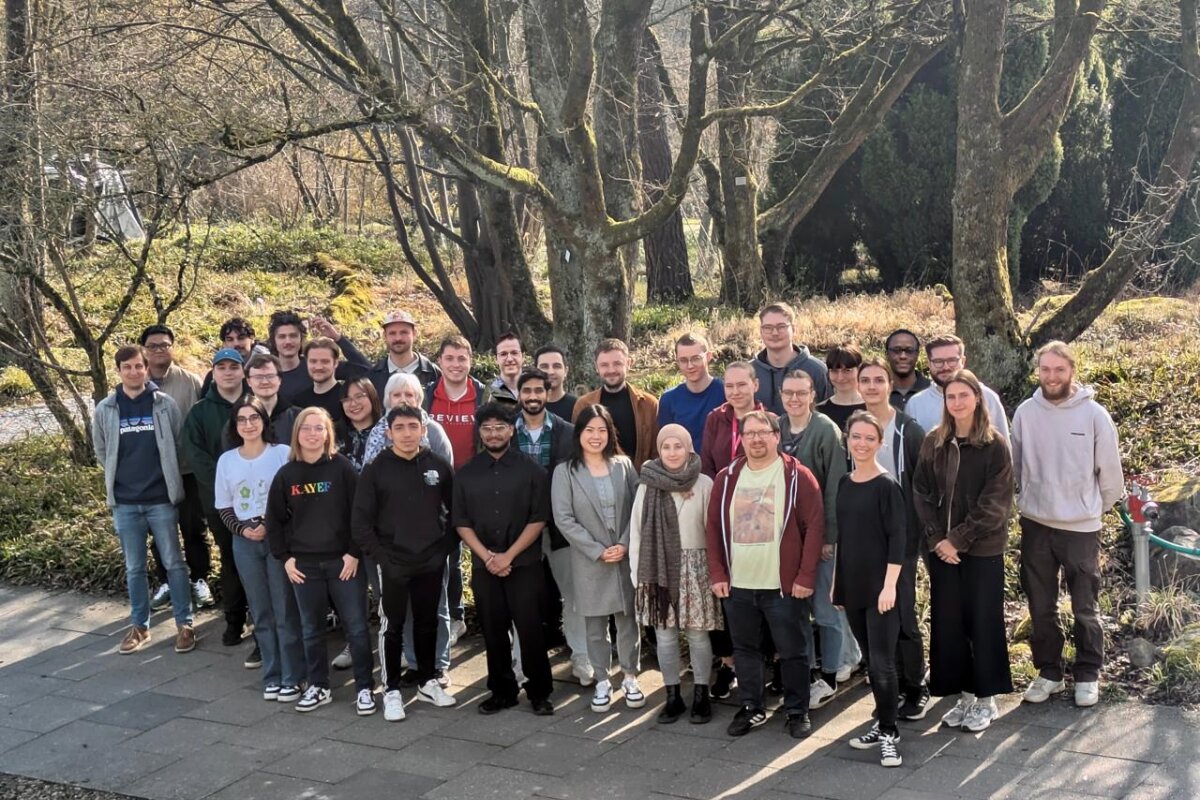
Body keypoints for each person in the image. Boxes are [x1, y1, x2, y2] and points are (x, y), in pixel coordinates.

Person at [1012, 341, 1123, 708]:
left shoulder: (1094, 415)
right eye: (1045, 369)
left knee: (1084, 606)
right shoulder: (1026, 413)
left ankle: (1088, 673)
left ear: (1072, 370)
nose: (1052, 376)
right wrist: (1028, 500)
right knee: (1040, 605)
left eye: (1059, 369)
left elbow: (1111, 476)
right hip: (1036, 524)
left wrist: (1089, 509)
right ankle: (1050, 672)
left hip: (1081, 528)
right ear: (1038, 371)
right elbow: (1015, 465)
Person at [705, 410, 824, 740]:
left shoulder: (798, 476)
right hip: (738, 585)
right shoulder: (727, 478)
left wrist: (805, 577)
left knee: (793, 651)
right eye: (750, 433)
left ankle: (797, 710)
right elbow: (712, 528)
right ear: (742, 439)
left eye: (763, 432)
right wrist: (718, 572)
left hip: (782, 587)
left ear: (776, 436)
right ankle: (751, 707)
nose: (756, 439)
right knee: (745, 650)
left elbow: (815, 528)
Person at [913, 369, 1015, 732]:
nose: (957, 402)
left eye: (963, 395)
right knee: (950, 624)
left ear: (977, 399)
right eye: (950, 397)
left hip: (982, 549)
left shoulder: (994, 445)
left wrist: (958, 538)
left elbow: (995, 503)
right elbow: (921, 492)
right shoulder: (934, 441)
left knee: (983, 622)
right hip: (942, 550)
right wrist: (938, 539)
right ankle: (965, 696)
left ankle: (986, 699)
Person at [352, 405, 458, 721]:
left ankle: (427, 681)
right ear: (389, 433)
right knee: (393, 626)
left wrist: (442, 552)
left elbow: (456, 515)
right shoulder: (376, 469)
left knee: (427, 622)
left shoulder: (438, 466)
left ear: (423, 430)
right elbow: (361, 522)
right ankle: (392, 690)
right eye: (399, 428)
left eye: (413, 426)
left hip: (430, 561)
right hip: (393, 562)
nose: (407, 434)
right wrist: (383, 559)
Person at [266, 407, 374, 715]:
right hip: (304, 567)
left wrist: (353, 553)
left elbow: (361, 513)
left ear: (328, 434)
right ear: (296, 433)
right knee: (311, 629)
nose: (312, 434)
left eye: (319, 428)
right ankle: (319, 686)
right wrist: (285, 559)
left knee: (356, 628)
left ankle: (365, 688)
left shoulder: (342, 469)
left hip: (344, 564)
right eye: (306, 428)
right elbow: (274, 521)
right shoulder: (286, 474)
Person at [92, 345, 195, 655]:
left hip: (160, 499)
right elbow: (101, 451)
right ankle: (140, 626)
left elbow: (178, 446)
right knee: (134, 567)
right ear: (118, 371)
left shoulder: (164, 405)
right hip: (125, 502)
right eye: (127, 367)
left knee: (174, 562)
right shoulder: (106, 409)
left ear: (146, 368)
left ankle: (185, 623)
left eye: (139, 366)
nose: (134, 372)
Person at [453, 403, 555, 715]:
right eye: (487, 428)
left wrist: (508, 556)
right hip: (484, 564)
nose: (493, 434)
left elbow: (539, 519)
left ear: (512, 430)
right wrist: (488, 557)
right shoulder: (466, 474)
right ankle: (502, 691)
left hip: (523, 563)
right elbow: (461, 522)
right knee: (493, 629)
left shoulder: (532, 471)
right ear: (479, 432)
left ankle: (539, 692)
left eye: (500, 427)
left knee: (531, 628)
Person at [552, 405, 644, 713]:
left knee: (628, 621)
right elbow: (564, 519)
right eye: (589, 430)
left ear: (610, 433)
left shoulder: (623, 465)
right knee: (595, 625)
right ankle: (602, 680)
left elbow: (638, 507)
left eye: (602, 430)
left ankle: (630, 676)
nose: (596, 436)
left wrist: (625, 543)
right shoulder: (565, 472)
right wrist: (596, 550)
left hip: (623, 556)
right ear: (579, 433)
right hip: (589, 559)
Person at [214, 396, 303, 703]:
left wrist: (268, 523)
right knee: (261, 612)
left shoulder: (282, 453)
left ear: (264, 421)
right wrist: (243, 529)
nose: (248, 424)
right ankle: (272, 674)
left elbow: (293, 497)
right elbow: (224, 506)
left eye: (254, 418)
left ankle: (292, 676)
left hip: (278, 540)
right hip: (244, 543)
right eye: (242, 419)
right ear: (234, 425)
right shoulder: (226, 461)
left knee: (285, 609)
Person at [630, 424, 720, 724]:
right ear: (659, 450)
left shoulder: (704, 483)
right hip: (657, 568)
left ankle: (701, 694)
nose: (672, 452)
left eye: (678, 446)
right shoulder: (648, 485)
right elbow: (636, 531)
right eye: (666, 447)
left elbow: (713, 532)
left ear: (688, 448)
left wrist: (717, 572)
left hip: (696, 567)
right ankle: (672, 696)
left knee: (697, 635)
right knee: (665, 636)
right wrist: (637, 576)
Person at [778, 370, 857, 708]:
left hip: (820, 536)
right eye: (788, 393)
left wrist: (830, 537)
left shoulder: (825, 430)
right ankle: (808, 671)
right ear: (781, 395)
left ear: (813, 395)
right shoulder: (777, 428)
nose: (794, 399)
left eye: (801, 393)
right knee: (797, 611)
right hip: (787, 540)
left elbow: (837, 486)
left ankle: (830, 674)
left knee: (826, 610)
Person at [857, 357, 930, 720]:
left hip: (900, 539)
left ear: (890, 385)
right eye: (865, 380)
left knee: (902, 612)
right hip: (865, 539)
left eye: (878, 380)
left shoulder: (908, 430)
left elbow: (923, 484)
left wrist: (914, 531)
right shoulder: (855, 427)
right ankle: (891, 687)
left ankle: (916, 685)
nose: (872, 386)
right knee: (876, 616)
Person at [836, 411, 906, 768]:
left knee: (882, 663)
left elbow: (898, 540)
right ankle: (881, 724)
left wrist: (889, 587)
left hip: (882, 590)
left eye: (869, 438)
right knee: (870, 661)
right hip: (853, 587)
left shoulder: (887, 486)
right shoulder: (844, 483)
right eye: (856, 437)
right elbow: (844, 538)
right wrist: (837, 587)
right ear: (847, 440)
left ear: (879, 443)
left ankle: (890, 732)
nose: (861, 443)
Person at [513, 370, 583, 682]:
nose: (532, 396)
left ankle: (582, 659)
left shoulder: (568, 432)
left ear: (547, 392)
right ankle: (520, 665)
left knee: (573, 595)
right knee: (521, 599)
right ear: (519, 394)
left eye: (538, 390)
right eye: (526, 390)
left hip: (560, 527)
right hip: (519, 529)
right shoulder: (505, 431)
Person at [139, 324, 213, 612]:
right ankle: (167, 582)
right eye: (153, 346)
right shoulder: (136, 384)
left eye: (164, 345)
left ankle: (199, 579)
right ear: (145, 350)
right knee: (159, 530)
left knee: (194, 528)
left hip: (187, 470)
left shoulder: (190, 381)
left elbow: (201, 422)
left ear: (172, 347)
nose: (159, 350)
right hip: (154, 473)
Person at [183, 348, 251, 650]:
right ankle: (234, 620)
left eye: (233, 367)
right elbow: (195, 455)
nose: (228, 372)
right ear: (213, 373)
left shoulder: (254, 406)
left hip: (257, 501)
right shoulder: (200, 412)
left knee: (260, 561)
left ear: (242, 371)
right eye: (221, 367)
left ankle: (262, 619)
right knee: (231, 558)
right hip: (220, 503)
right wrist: (227, 484)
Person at [571, 339, 659, 470]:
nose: (611, 370)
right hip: (596, 478)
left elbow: (657, 451)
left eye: (617, 363)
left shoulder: (648, 404)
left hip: (641, 478)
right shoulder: (584, 405)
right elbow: (577, 449)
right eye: (604, 365)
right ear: (596, 367)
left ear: (629, 363)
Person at [906, 334, 1010, 443]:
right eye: (938, 361)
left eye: (952, 360)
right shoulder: (915, 404)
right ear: (929, 364)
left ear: (963, 361)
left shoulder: (987, 397)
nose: (946, 367)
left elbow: (1004, 446)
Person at [270, 310, 370, 403]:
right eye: (282, 337)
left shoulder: (317, 366)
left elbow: (366, 370)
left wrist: (337, 338)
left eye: (293, 336)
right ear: (274, 341)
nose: (288, 341)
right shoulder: (267, 375)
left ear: (301, 339)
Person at [752, 302, 829, 415]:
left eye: (781, 327)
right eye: (768, 327)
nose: (775, 333)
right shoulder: (749, 372)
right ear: (761, 331)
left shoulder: (817, 370)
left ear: (793, 329)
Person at [425, 334, 489, 470]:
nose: (456, 365)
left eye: (462, 359)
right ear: (440, 361)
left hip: (473, 476)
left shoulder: (485, 397)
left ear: (470, 361)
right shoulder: (425, 396)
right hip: (433, 476)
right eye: (449, 358)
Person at [657, 333, 726, 450]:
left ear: (708, 356)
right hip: (685, 462)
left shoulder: (726, 392)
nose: (690, 366)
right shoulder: (668, 400)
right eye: (683, 360)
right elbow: (666, 446)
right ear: (677, 362)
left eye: (696, 358)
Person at [700, 361, 766, 479]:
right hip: (721, 488)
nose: (735, 392)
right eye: (729, 386)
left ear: (755, 385)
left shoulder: (769, 422)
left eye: (742, 385)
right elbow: (706, 465)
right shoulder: (715, 418)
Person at [367, 309, 440, 398]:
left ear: (414, 334)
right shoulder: (373, 376)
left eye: (404, 332)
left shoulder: (433, 373)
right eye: (392, 333)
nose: (398, 338)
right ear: (385, 336)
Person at [198, 317, 264, 396]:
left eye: (241, 338)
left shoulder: (269, 369)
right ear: (224, 344)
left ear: (252, 339)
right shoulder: (214, 377)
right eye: (230, 339)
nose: (236, 344)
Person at [243, 354, 300, 446]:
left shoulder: (298, 417)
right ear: (248, 381)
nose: (265, 382)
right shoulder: (239, 419)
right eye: (258, 377)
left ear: (279, 380)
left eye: (270, 376)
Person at [290, 337, 349, 423]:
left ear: (335, 363)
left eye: (325, 361)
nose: (318, 367)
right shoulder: (298, 401)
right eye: (313, 361)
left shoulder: (346, 399)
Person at [815, 343, 865, 433]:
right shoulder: (819, 412)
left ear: (859, 370)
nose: (840, 377)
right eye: (834, 371)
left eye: (847, 370)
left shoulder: (873, 407)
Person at [336, 377, 382, 472]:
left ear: (372, 396)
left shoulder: (387, 432)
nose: (353, 404)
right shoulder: (332, 434)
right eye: (346, 399)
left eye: (359, 396)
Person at [885, 329, 930, 412]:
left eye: (909, 350)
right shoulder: (877, 391)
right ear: (887, 354)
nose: (903, 356)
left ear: (917, 354)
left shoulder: (932, 390)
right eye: (896, 350)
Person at [534, 344, 578, 420]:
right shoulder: (526, 406)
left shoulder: (578, 406)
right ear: (535, 371)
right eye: (544, 367)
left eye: (557, 366)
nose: (550, 372)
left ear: (566, 371)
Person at [489, 331, 524, 408]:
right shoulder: (489, 392)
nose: (509, 359)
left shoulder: (535, 387)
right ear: (496, 359)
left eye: (514, 353)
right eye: (503, 354)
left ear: (523, 357)